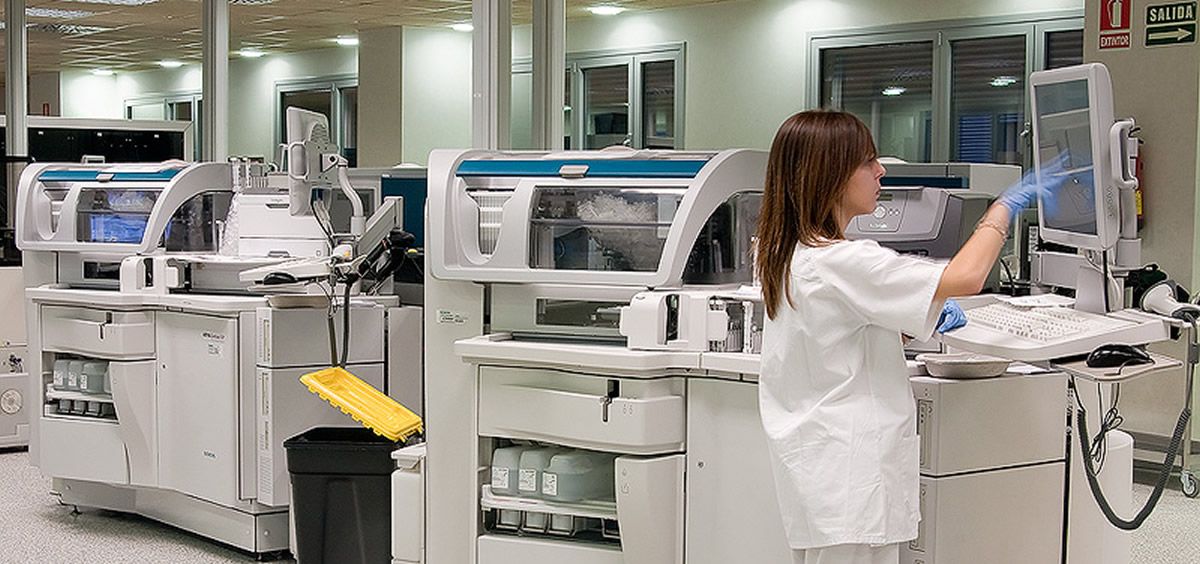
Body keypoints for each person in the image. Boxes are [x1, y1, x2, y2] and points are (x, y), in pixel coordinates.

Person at [754, 110, 1064, 564]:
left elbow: (831, 335)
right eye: (868, 162)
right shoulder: (842, 261)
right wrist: (1003, 209)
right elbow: (968, 276)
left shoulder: (786, 252)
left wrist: (892, 329)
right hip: (850, 472)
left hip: (824, 468)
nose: (881, 171)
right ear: (831, 175)